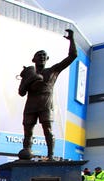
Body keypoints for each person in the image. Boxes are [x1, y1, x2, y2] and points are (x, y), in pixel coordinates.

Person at [18, 30, 77, 161]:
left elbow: (72, 56)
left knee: (48, 130)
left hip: (45, 104)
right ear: (34, 59)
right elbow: (21, 92)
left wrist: (72, 40)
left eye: (44, 55)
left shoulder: (53, 71)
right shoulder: (29, 73)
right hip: (31, 105)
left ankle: (50, 155)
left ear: (47, 59)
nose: (42, 57)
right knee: (28, 132)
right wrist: (29, 79)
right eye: (39, 55)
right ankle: (26, 155)